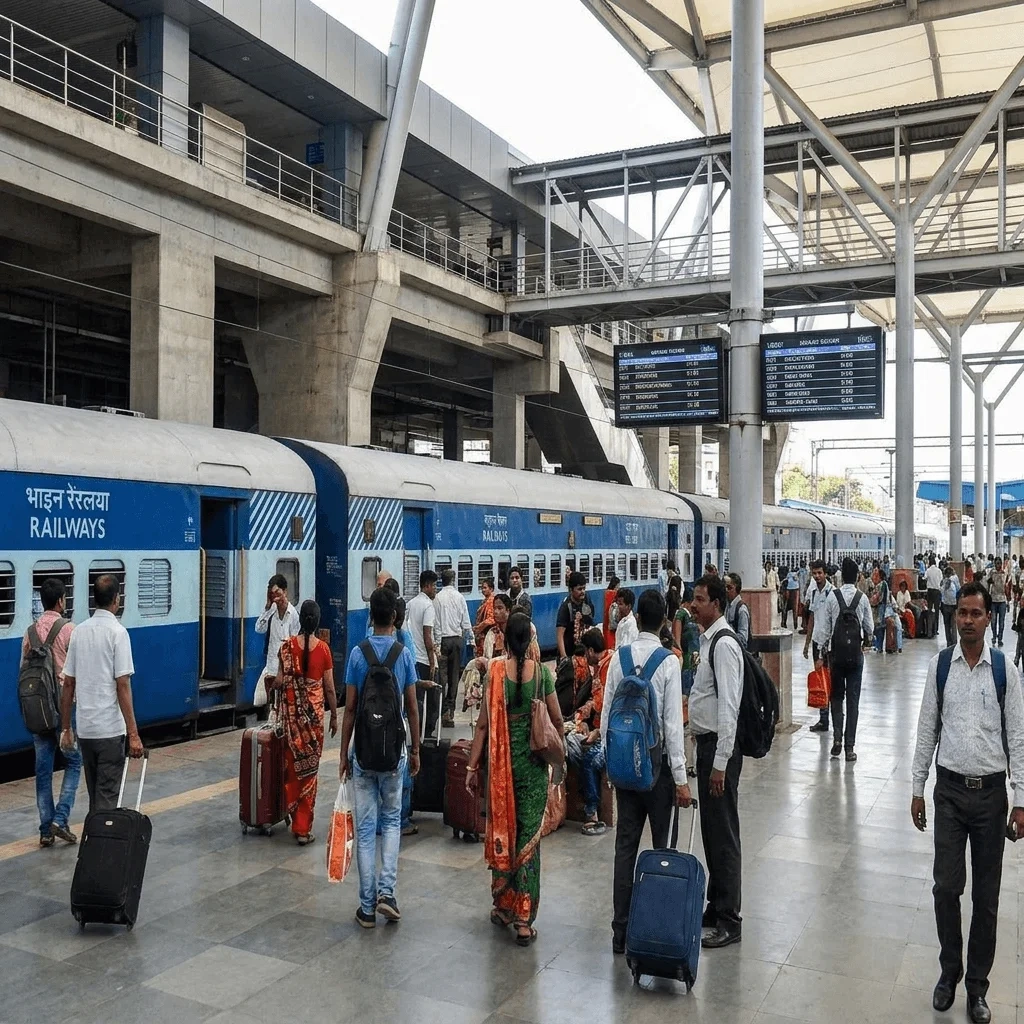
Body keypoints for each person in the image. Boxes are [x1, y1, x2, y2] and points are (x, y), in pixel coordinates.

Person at [911, 581, 1024, 1024]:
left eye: (976, 613)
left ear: (988, 618)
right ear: (954, 615)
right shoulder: (941, 667)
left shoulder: (1004, 671)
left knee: (986, 898)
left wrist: (1020, 799)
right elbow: (926, 728)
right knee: (946, 887)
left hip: (992, 796)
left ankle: (977, 987)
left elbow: (1018, 738)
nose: (968, 620)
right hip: (950, 794)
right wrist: (917, 786)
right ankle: (949, 971)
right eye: (962, 612)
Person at [464, 612, 562, 946]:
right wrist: (557, 759)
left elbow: (482, 726)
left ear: (505, 640)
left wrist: (471, 768)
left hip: (501, 774)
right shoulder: (542, 676)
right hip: (533, 771)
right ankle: (523, 919)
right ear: (531, 640)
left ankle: (504, 906)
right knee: (528, 841)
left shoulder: (494, 674)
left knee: (504, 831)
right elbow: (557, 720)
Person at [602, 589, 691, 955]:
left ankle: (619, 932)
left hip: (625, 768)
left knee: (625, 848)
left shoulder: (618, 658)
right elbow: (672, 726)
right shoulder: (668, 662)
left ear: (637, 617)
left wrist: (610, 765)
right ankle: (656, 929)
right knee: (662, 851)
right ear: (665, 621)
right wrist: (681, 779)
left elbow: (607, 716)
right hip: (658, 772)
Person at [340, 587, 421, 928]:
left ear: (370, 616)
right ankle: (387, 893)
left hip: (363, 752)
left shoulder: (358, 654)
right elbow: (412, 708)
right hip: (394, 753)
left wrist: (343, 755)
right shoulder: (403, 655)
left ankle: (367, 907)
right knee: (391, 822)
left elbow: (349, 709)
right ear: (396, 617)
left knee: (366, 828)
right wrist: (415, 749)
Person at [686, 575, 745, 949]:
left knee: (723, 835)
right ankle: (716, 904)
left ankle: (729, 919)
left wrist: (720, 762)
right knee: (712, 831)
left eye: (699, 599)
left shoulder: (724, 645)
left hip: (719, 752)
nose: (693, 605)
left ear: (717, 605)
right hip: (709, 748)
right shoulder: (710, 641)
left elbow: (729, 709)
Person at [59, 574, 141, 813]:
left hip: (86, 731)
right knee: (106, 801)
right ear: (117, 599)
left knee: (95, 798)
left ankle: (94, 835)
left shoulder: (79, 632)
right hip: (110, 732)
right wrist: (134, 734)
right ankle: (100, 837)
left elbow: (68, 684)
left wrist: (66, 728)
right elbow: (122, 685)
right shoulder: (118, 633)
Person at [273, 600, 337, 845]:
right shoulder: (323, 650)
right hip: (314, 725)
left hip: (292, 724)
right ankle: (302, 828)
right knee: (310, 774)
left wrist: (272, 686)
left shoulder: (286, 648)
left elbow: (280, 681)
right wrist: (334, 716)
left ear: (300, 620)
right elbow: (329, 689)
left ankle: (292, 812)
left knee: (292, 769)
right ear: (318, 622)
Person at [21, 577, 80, 847]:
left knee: (43, 770)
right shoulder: (69, 630)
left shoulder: (29, 632)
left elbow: (23, 670)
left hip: (38, 709)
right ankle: (61, 818)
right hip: (64, 707)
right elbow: (76, 671)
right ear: (60, 601)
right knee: (74, 762)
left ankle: (46, 830)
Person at [812, 558, 873, 762]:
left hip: (836, 657)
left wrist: (820, 654)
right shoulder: (862, 598)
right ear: (856, 577)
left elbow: (824, 630)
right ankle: (849, 747)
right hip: (855, 657)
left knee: (836, 698)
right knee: (853, 702)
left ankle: (837, 738)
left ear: (840, 577)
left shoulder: (832, 597)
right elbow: (869, 627)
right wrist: (866, 640)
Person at [565, 628, 612, 836]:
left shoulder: (609, 667)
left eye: (585, 652)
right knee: (571, 745)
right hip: (598, 729)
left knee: (589, 760)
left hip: (611, 735)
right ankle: (587, 794)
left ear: (591, 651)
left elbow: (609, 705)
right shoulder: (601, 667)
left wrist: (598, 732)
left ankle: (592, 812)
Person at [434, 569, 473, 729]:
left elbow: (436, 624)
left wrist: (437, 644)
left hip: (443, 641)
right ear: (453, 580)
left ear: (441, 581)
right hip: (457, 640)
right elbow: (466, 622)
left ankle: (442, 710)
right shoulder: (459, 597)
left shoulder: (437, 598)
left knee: (442, 678)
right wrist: (471, 639)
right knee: (454, 677)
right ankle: (450, 712)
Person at [406, 570, 440, 739]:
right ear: (427, 586)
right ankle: (427, 733)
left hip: (413, 659)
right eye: (434, 586)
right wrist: (432, 661)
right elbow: (428, 635)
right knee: (433, 700)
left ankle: (416, 733)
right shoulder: (428, 606)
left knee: (417, 699)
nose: (435, 589)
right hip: (425, 660)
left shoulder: (410, 604)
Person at [256, 574, 301, 702]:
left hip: (286, 670)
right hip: (271, 668)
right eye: (272, 594)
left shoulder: (293, 615)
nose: (275, 598)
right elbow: (259, 629)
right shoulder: (271, 612)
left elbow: (294, 644)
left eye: (278, 593)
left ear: (285, 591)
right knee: (270, 704)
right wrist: (267, 608)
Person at [803, 560, 834, 733]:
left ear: (825, 573)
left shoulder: (832, 593)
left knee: (829, 679)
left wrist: (825, 648)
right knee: (820, 680)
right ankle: (823, 719)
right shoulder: (813, 592)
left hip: (828, 644)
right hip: (816, 641)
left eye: (820, 573)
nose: (817, 576)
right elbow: (812, 619)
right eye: (814, 573)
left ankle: (831, 716)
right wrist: (807, 643)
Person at [482, 596, 541, 663]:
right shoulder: (492, 633)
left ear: (508, 610)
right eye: (494, 608)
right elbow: (487, 658)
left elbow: (526, 654)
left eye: (500, 608)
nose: (495, 612)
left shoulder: (523, 628)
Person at [556, 571, 595, 661]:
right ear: (571, 590)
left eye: (584, 588)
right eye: (579, 589)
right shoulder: (566, 607)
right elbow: (560, 635)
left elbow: (591, 620)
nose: (583, 592)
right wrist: (564, 658)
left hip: (583, 654)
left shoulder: (587, 600)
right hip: (569, 654)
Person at [723, 573, 751, 651]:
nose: (726, 590)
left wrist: (728, 637)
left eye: (729, 588)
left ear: (737, 589)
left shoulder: (741, 610)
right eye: (725, 587)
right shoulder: (726, 606)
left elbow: (743, 638)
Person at [986, 558, 1008, 648]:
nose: (998, 565)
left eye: (999, 563)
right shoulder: (992, 572)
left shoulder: (1004, 573)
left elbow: (1007, 586)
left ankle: (1000, 639)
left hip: (1002, 600)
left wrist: (1008, 600)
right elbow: (987, 582)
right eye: (996, 563)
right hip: (993, 600)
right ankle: (994, 636)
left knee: (1001, 622)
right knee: (993, 621)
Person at [474, 578, 496, 657]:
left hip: (487, 635)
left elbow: (491, 619)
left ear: (491, 589)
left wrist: (479, 627)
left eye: (485, 588)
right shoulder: (485, 601)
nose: (483, 590)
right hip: (482, 635)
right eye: (482, 588)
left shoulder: (491, 601)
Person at [940, 564, 961, 647]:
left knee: (947, 625)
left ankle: (949, 642)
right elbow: (959, 589)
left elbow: (941, 591)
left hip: (946, 605)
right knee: (953, 624)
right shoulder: (955, 579)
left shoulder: (944, 581)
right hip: (953, 605)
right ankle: (954, 642)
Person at [925, 555, 943, 636]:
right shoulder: (939, 571)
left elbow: (925, 578)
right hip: (937, 591)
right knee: (936, 611)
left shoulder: (928, 570)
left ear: (929, 563)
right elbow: (941, 580)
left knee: (929, 610)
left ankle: (929, 631)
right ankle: (935, 630)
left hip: (930, 592)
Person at [602, 576, 620, 650]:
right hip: (612, 619)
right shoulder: (615, 594)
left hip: (606, 618)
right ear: (616, 585)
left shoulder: (606, 592)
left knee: (606, 636)